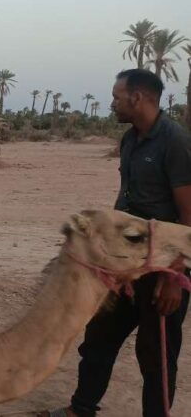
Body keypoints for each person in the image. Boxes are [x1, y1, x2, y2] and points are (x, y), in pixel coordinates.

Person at [54, 69, 191, 417]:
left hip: (163, 267)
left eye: (117, 97)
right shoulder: (130, 140)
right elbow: (126, 204)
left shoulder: (175, 141)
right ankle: (81, 409)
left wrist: (174, 277)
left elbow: (188, 214)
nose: (112, 103)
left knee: (156, 355)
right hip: (125, 265)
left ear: (138, 98)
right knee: (98, 338)